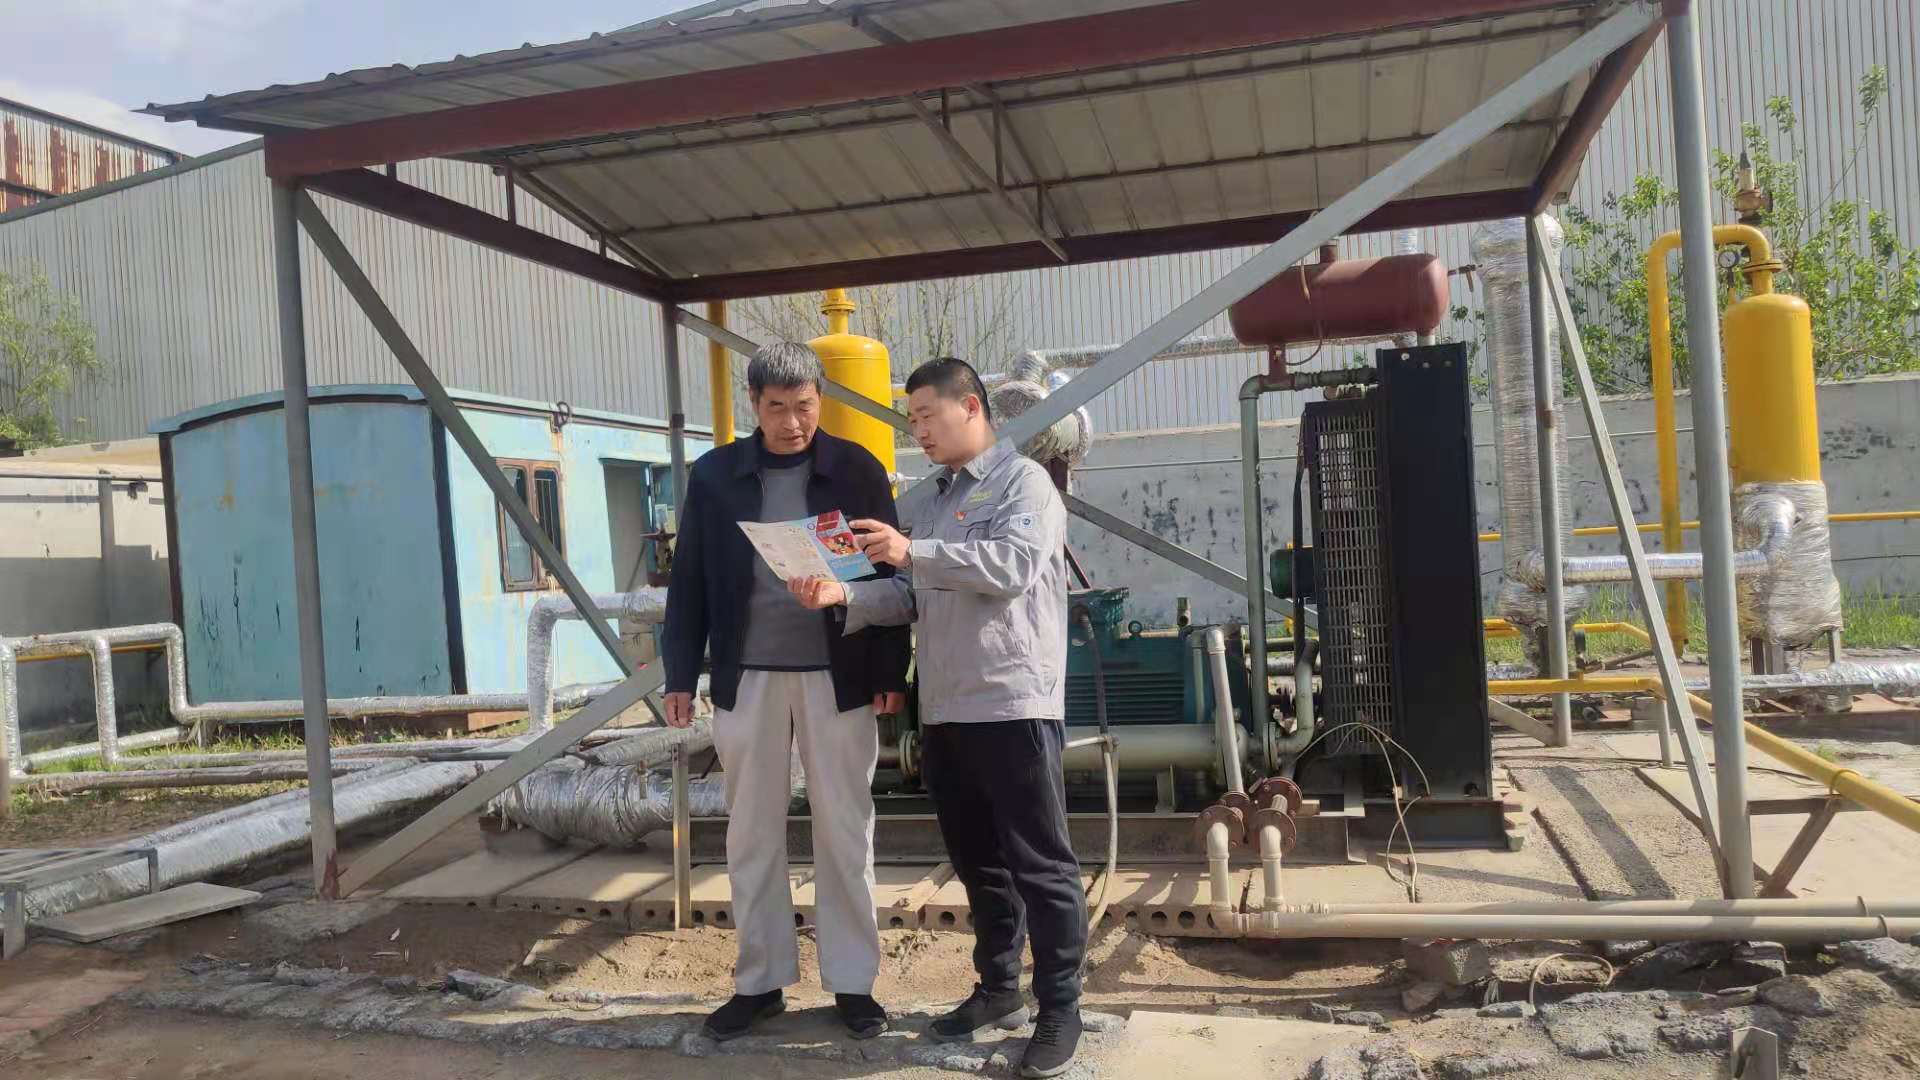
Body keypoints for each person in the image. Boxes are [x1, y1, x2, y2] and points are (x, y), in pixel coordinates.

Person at [791, 357, 1085, 1079]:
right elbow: (907, 596)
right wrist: (843, 596)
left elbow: (1010, 568)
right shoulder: (925, 500)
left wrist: (911, 551)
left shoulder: (1025, 485)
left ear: (972, 407)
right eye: (911, 418)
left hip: (1012, 699)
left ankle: (1060, 1008)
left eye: (927, 414)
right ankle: (999, 989)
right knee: (978, 861)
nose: (917, 430)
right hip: (946, 705)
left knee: (1040, 863)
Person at [662, 341, 909, 1043]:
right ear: (754, 403)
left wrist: (889, 672)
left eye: (804, 406)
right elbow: (689, 581)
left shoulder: (857, 470)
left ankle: (854, 984)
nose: (793, 423)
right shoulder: (716, 477)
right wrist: (680, 674)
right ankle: (759, 983)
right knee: (751, 831)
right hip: (747, 676)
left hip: (840, 673)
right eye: (777, 408)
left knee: (845, 828)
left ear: (820, 398)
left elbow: (888, 577)